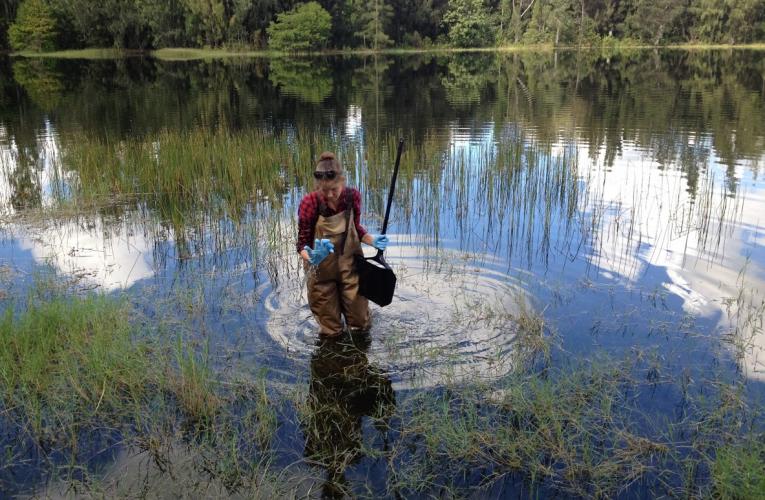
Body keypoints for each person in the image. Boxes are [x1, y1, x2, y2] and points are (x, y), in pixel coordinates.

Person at [297, 152, 389, 336]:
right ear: (317, 187)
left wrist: (372, 240)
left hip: (350, 266)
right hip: (320, 273)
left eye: (334, 190)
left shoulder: (352, 196)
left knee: (360, 323)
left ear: (342, 181)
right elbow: (301, 244)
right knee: (331, 331)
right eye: (324, 191)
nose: (330, 195)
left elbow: (355, 228)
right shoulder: (309, 203)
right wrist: (311, 256)